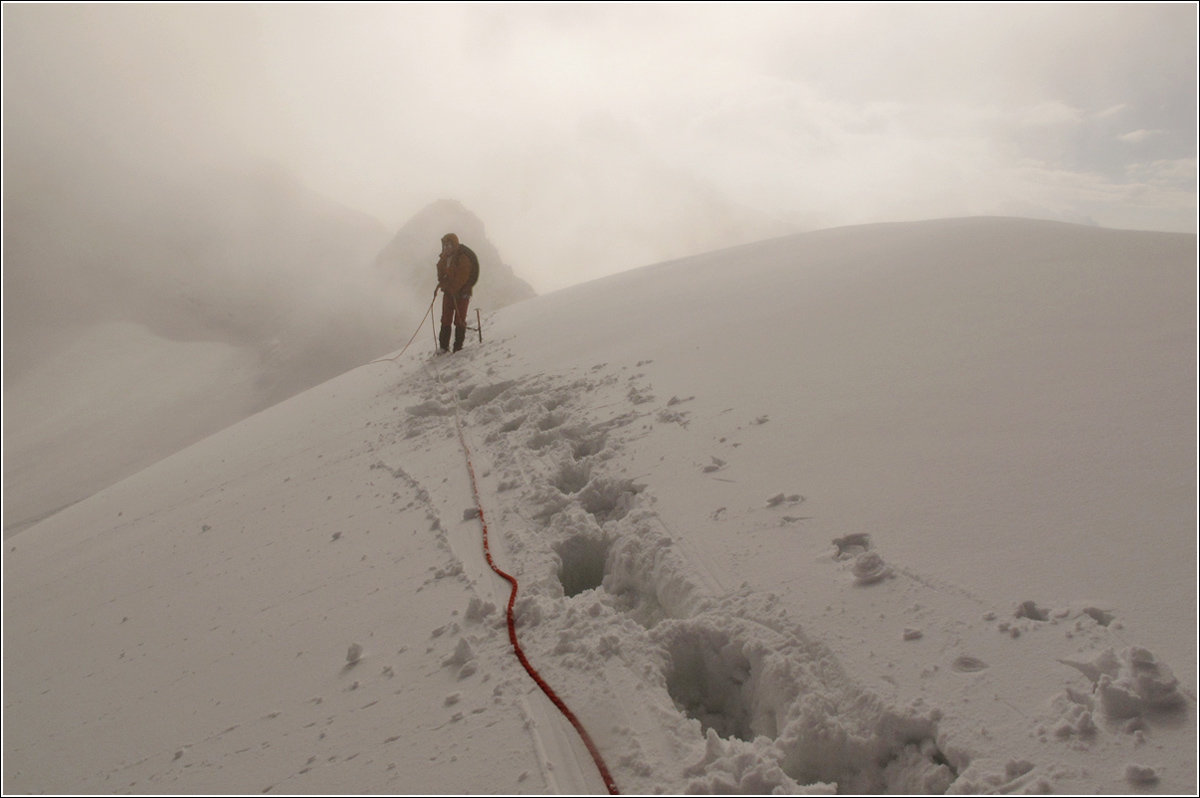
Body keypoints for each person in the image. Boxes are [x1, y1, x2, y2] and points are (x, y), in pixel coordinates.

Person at [435, 233, 478, 353]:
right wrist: (443, 283)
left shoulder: (462, 257)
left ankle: (458, 347)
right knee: (446, 319)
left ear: (454, 245)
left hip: (462, 293)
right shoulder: (444, 259)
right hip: (449, 293)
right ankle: (443, 347)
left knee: (459, 319)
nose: (446, 248)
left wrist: (451, 287)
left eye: (449, 245)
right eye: (445, 245)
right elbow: (441, 275)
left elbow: (462, 276)